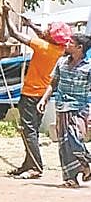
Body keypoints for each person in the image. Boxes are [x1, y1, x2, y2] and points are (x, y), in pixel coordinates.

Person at [3, 4, 69, 179]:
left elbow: (15, 34)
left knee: (29, 131)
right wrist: (31, 24)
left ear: (51, 37)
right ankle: (28, 164)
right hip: (42, 96)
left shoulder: (44, 47)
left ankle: (35, 167)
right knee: (31, 130)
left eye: (49, 29)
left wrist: (5, 15)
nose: (45, 30)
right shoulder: (59, 49)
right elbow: (43, 35)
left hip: (32, 95)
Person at [35, 34, 91, 187]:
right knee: (63, 144)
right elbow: (53, 83)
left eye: (70, 43)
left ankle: (86, 163)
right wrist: (44, 99)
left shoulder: (89, 66)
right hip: (62, 107)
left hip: (80, 108)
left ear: (80, 48)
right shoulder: (61, 62)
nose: (67, 44)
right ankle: (70, 179)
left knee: (74, 138)